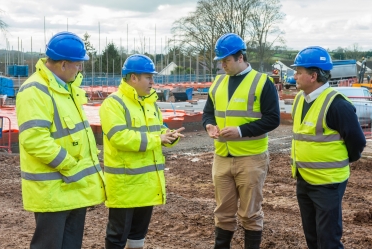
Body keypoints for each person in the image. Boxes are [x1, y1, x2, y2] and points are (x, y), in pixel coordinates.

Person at [16, 31, 106, 249]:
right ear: (63, 64)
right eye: (78, 64)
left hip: (72, 187)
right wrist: (70, 166)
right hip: (54, 190)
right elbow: (35, 140)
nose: (80, 69)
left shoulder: (66, 89)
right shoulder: (35, 90)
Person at [202, 33, 280, 249]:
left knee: (250, 213)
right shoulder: (217, 83)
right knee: (223, 212)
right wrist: (208, 125)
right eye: (221, 61)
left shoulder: (262, 82)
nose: (223, 65)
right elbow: (208, 113)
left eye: (226, 60)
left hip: (251, 157)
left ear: (240, 57)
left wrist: (240, 131)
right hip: (222, 156)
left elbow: (273, 119)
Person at [99, 54, 185, 249]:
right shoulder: (114, 103)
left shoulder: (149, 103)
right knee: (117, 236)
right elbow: (119, 138)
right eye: (148, 77)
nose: (152, 82)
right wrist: (158, 139)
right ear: (133, 78)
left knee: (138, 236)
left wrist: (168, 135)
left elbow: (157, 131)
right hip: (125, 186)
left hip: (146, 184)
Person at [290, 46, 366, 249]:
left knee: (328, 240)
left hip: (328, 183)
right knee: (312, 237)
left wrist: (339, 161)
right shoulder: (299, 99)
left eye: (299, 72)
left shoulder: (337, 104)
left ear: (313, 76)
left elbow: (357, 142)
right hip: (304, 178)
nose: (294, 75)